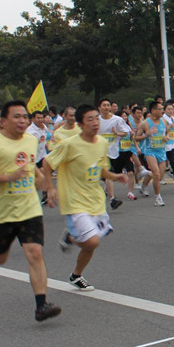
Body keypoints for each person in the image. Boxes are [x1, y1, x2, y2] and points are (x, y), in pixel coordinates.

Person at [0, 100, 61, 322]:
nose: (22, 121)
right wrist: (7, 177)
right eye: (17, 117)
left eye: (25, 116)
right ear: (3, 121)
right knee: (0, 258)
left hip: (29, 209)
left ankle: (41, 305)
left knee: (35, 252)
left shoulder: (31, 141)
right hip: (2, 212)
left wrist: (48, 186)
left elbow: (32, 168)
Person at [45, 104, 127, 292]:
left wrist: (115, 177)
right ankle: (72, 237)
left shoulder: (101, 143)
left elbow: (101, 169)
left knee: (92, 244)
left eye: (97, 118)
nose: (95, 122)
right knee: (91, 241)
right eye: (89, 119)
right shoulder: (69, 144)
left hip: (95, 200)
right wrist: (50, 188)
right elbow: (47, 163)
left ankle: (76, 275)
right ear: (80, 124)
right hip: (75, 201)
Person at [134, 101, 169, 206]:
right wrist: (146, 135)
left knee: (159, 176)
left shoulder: (164, 121)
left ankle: (144, 184)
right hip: (150, 151)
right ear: (153, 110)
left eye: (163, 109)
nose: (162, 111)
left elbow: (166, 133)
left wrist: (166, 137)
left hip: (161, 151)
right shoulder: (145, 123)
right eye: (160, 109)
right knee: (156, 173)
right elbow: (136, 138)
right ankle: (158, 198)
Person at [98, 98, 131, 209]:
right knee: (109, 173)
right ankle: (112, 199)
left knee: (108, 175)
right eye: (104, 105)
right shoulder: (96, 120)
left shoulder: (117, 120)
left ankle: (105, 189)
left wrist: (117, 133)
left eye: (108, 105)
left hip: (113, 151)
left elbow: (126, 132)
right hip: (100, 153)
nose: (106, 107)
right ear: (99, 108)